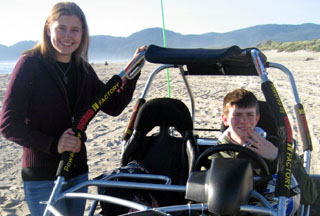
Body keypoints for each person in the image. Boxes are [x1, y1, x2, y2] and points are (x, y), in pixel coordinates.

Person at [0, 2, 146, 215]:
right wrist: (53, 145)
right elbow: (8, 124)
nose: (67, 36)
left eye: (74, 30)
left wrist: (134, 69)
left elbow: (113, 106)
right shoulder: (30, 64)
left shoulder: (83, 69)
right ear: (49, 28)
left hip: (77, 172)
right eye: (61, 28)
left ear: (83, 34)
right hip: (42, 175)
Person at [216, 88, 317, 206]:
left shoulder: (278, 148)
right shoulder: (215, 153)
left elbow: (309, 196)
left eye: (249, 114)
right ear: (225, 119)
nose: (243, 121)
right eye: (237, 115)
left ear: (257, 118)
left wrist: (277, 158)